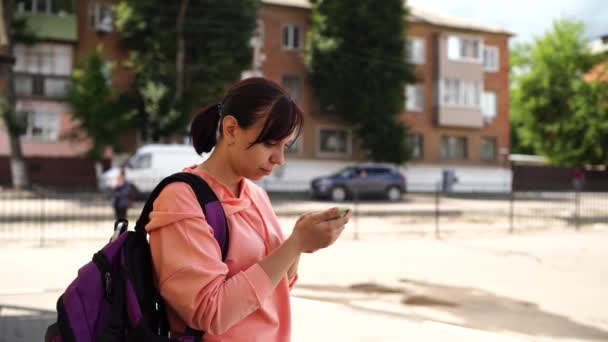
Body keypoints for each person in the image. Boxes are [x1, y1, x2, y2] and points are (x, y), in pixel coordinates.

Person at [145, 77, 351, 341]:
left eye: (284, 146)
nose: (280, 159)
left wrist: (300, 241)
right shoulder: (181, 199)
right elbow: (210, 313)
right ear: (231, 129)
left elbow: (279, 288)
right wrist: (295, 244)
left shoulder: (256, 195)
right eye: (269, 144)